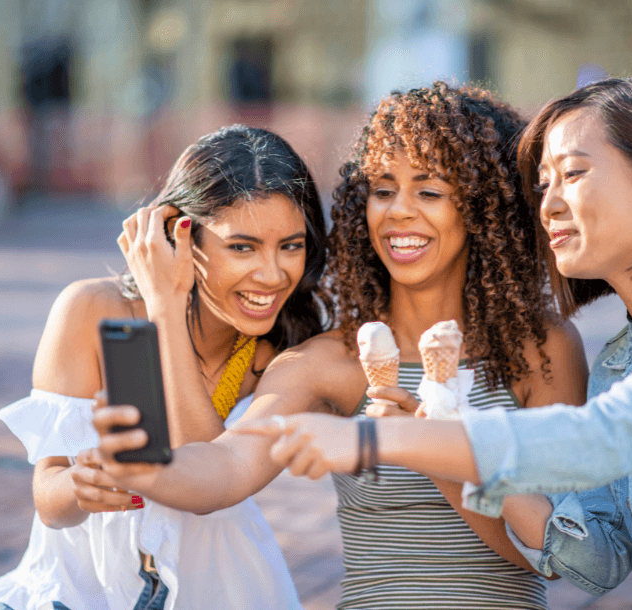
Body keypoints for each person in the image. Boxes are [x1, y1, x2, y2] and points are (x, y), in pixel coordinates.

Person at [236, 77, 632, 610]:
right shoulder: (623, 359)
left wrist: (376, 436)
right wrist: (440, 425)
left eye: (571, 174)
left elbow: (607, 438)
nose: (547, 203)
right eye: (542, 184)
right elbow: (593, 560)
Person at [89, 82, 595, 609]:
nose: (397, 211)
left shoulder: (544, 349)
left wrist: (437, 447)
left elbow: (555, 556)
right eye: (382, 189)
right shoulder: (329, 362)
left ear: (480, 206)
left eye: (428, 191)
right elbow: (224, 469)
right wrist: (146, 467)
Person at [0, 124, 330, 610]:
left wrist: (165, 307)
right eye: (242, 247)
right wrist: (79, 488)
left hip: (220, 589)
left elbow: (208, 472)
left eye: (290, 246)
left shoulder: (281, 354)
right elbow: (49, 497)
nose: (272, 275)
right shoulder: (92, 311)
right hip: (84, 592)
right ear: (181, 236)